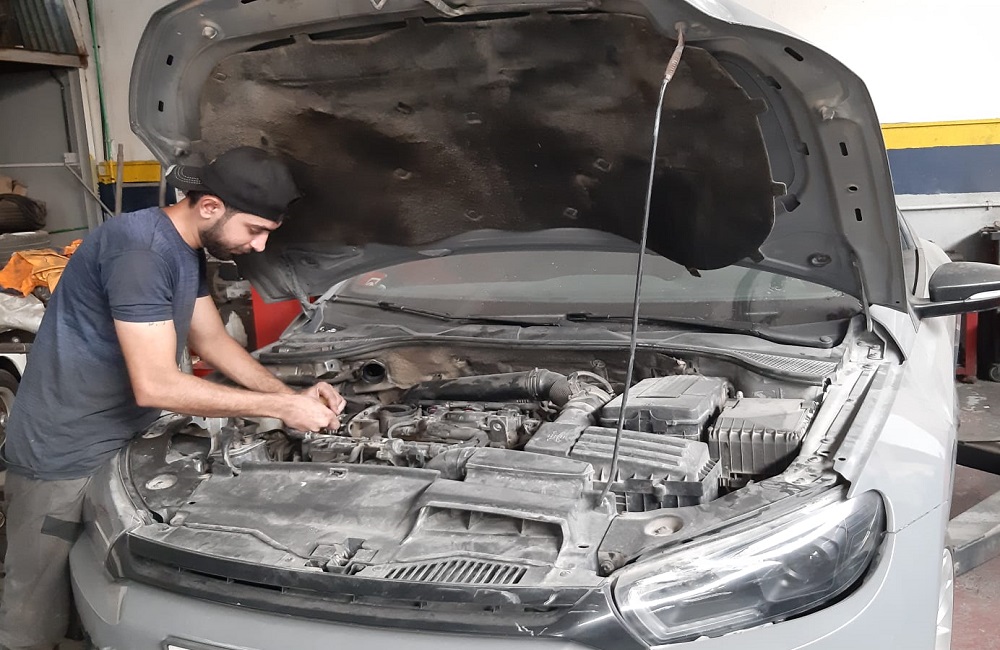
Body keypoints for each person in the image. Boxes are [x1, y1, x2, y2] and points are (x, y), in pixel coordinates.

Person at [0, 146, 346, 649]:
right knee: (34, 608)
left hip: (127, 436)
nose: (260, 245)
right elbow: (157, 384)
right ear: (209, 206)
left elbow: (213, 341)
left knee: (103, 584)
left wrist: (291, 394)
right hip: (63, 451)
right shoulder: (139, 252)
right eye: (255, 229)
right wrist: (281, 408)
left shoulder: (185, 248)